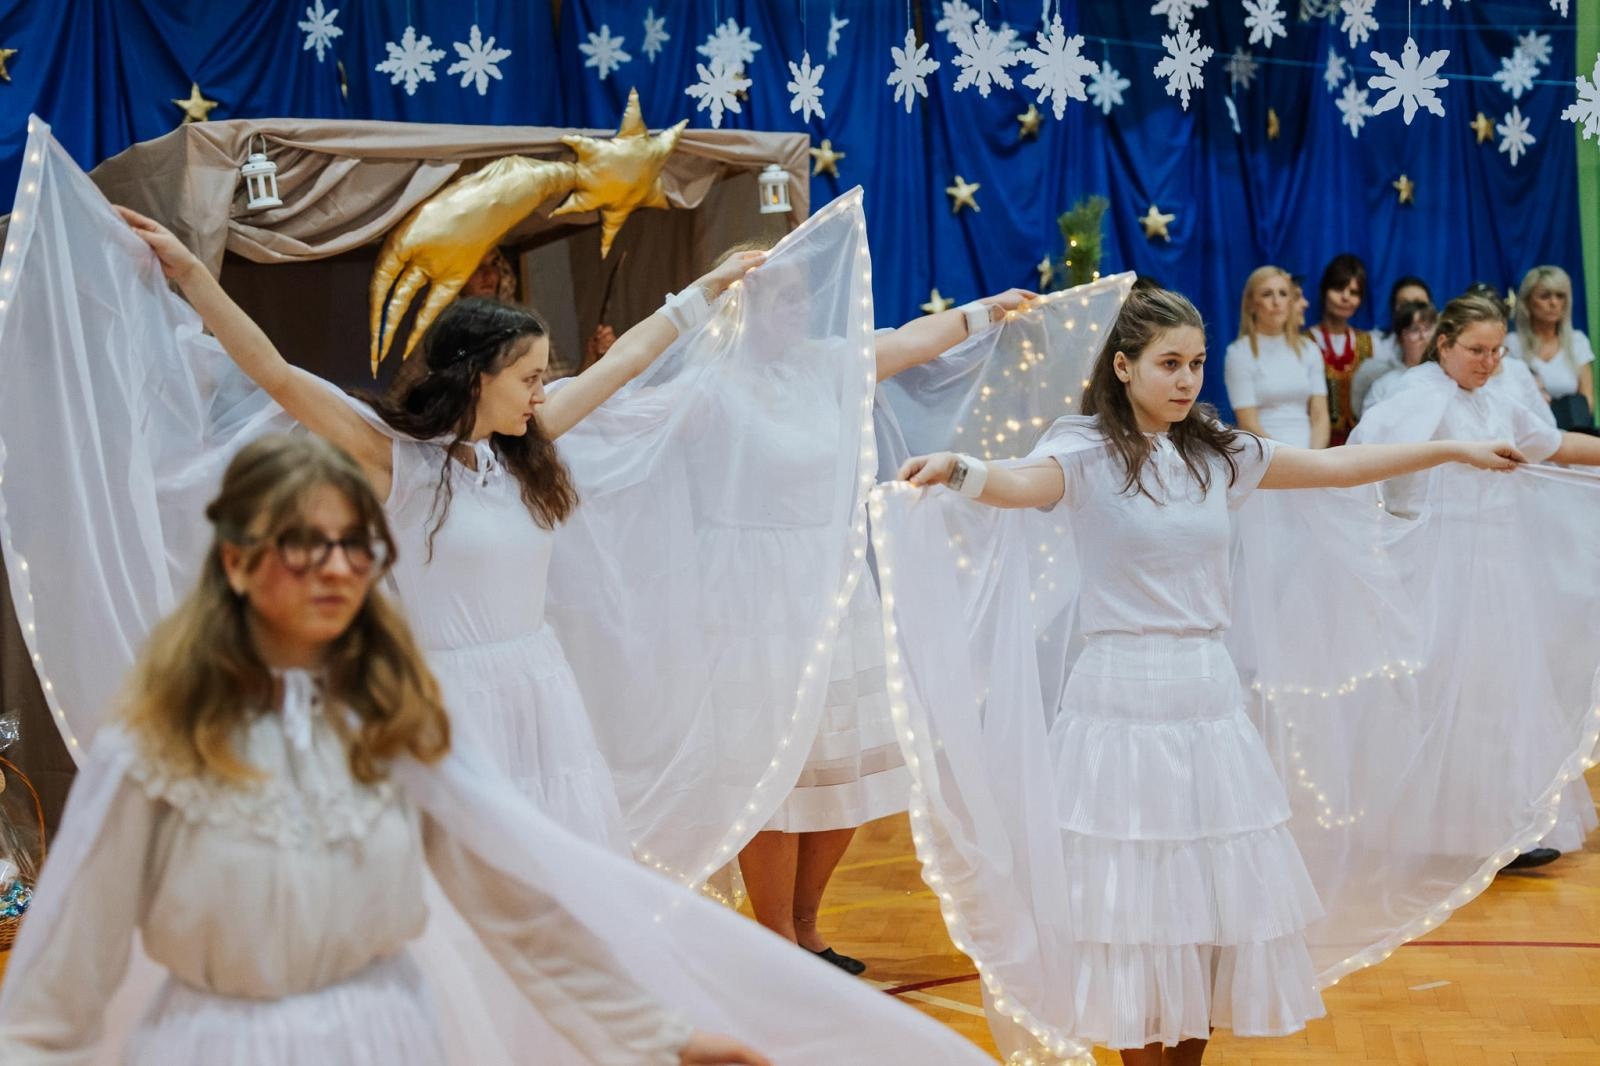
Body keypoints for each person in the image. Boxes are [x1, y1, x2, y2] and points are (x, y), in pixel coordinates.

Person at [881, 287, 1528, 1065]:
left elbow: (1334, 466)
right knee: (1137, 920)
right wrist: (959, 470)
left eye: (1194, 364)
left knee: (1210, 921)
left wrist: (1451, 450)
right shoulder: (1083, 453)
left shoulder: (1217, 453)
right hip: (1118, 704)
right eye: (1168, 364)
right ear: (1123, 367)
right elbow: (1020, 484)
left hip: (1207, 702)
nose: (1186, 381)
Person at [0, 434, 766, 1066]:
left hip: (388, 1042)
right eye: (304, 544)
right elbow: (59, 988)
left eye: (355, 544)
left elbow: (517, 913)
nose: (337, 567)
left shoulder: (402, 726)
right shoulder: (156, 746)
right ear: (235, 561)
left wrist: (662, 1036)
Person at [115, 206, 762, 849]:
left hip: (540, 695)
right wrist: (194, 274)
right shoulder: (399, 462)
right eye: (529, 378)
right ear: (478, 378)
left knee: (547, 874)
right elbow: (279, 378)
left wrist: (707, 289)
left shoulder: (522, 449)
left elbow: (626, 362)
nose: (542, 392)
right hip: (446, 705)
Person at [1353, 293, 1600, 869]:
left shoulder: (1500, 401)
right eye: (1476, 350)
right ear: (1444, 344)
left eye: (1497, 351)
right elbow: (1364, 459)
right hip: (1439, 567)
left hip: (1498, 565)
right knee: (1446, 691)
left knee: (1503, 692)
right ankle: (1443, 827)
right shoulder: (1412, 399)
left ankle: (1509, 822)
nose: (1489, 362)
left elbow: (1556, 444)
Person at [1223, 266, 1329, 447]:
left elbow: (1320, 415)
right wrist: (1290, 460)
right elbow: (1248, 423)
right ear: (1251, 303)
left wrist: (1314, 458)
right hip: (1266, 456)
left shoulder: (1309, 349)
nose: (1276, 301)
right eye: (1267, 294)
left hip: (1311, 459)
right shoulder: (1239, 353)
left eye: (1283, 293)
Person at [1506, 265, 1596, 431]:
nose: (1553, 303)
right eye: (1545, 296)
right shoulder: (1511, 345)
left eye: (1560, 296)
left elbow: (1587, 399)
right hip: (1528, 432)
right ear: (1527, 302)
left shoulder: (1578, 341)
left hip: (1572, 432)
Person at [1306, 254, 1374, 444]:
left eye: (1354, 292)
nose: (1345, 298)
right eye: (1338, 288)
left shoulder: (1367, 342)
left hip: (1359, 442)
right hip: (1315, 441)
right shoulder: (1304, 342)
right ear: (1324, 291)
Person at [1354, 299, 1435, 415]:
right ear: (1400, 338)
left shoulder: (1446, 376)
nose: (1423, 337)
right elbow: (1369, 429)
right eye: (1415, 330)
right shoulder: (1384, 385)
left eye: (1428, 328)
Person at [1369, 275, 1433, 367]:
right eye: (1404, 304)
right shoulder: (1376, 346)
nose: (1413, 311)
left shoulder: (1443, 348)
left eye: (1419, 304)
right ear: (1393, 309)